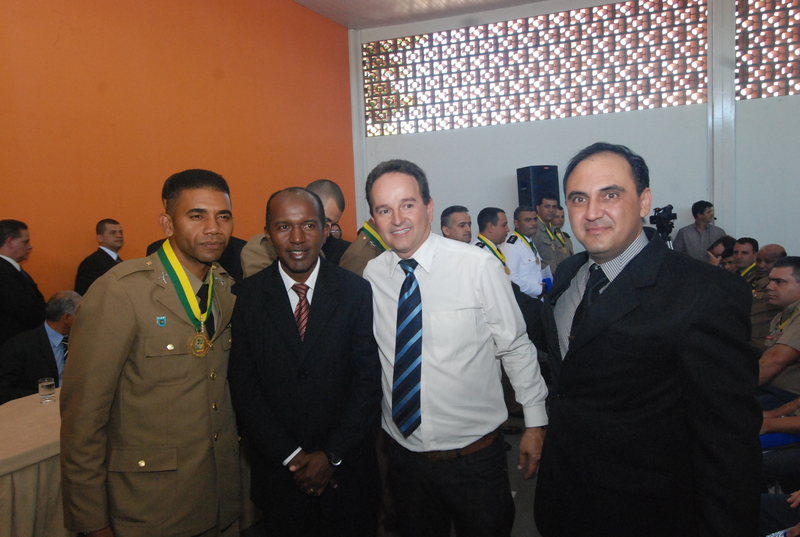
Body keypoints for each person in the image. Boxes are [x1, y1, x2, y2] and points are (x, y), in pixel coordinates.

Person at [533, 142, 761, 537]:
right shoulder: (570, 273)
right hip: (564, 496)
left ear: (644, 202)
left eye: (610, 195)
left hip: (646, 512)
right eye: (578, 198)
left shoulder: (704, 291)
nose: (592, 212)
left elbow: (727, 443)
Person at [362, 159, 548, 537]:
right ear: (374, 219)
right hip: (404, 460)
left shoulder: (476, 266)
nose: (397, 219)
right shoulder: (373, 275)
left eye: (407, 204)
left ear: (429, 207)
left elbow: (514, 345)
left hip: (474, 462)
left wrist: (535, 421)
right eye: (384, 209)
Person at [60, 169, 241, 537]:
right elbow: (83, 418)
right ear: (167, 224)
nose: (213, 228)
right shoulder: (121, 292)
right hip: (148, 506)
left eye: (223, 216)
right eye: (197, 215)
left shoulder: (226, 289)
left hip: (219, 498)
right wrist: (92, 521)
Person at [229, 188, 381, 536]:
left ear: (326, 230)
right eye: (284, 226)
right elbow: (245, 387)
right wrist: (291, 456)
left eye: (309, 225)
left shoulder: (356, 292)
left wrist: (332, 455)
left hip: (349, 478)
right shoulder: (247, 297)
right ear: (268, 234)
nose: (297, 238)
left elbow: (368, 382)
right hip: (280, 480)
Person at [240, 179, 345, 278]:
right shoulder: (258, 249)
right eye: (324, 220)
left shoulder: (320, 249)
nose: (327, 232)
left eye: (333, 224)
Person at [0, 291, 80, 404]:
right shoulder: (20, 346)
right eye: (80, 315)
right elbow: (4, 390)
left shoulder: (80, 340)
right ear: (66, 318)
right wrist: (44, 395)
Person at [757, 257, 800, 410]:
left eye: (779, 282)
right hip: (772, 389)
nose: (769, 287)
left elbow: (776, 360)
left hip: (790, 397)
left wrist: (735, 388)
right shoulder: (783, 314)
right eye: (770, 281)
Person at [0, 219, 46, 348]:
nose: (30, 247)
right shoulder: (5, 273)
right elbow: (26, 311)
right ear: (10, 242)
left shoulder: (11, 269)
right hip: (12, 346)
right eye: (25, 242)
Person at [74, 219, 125, 296]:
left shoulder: (119, 261)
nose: (119, 236)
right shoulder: (91, 263)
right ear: (100, 238)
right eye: (113, 232)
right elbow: (86, 295)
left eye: (120, 232)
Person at [752, 244, 788, 349]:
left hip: (763, 342)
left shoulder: (784, 285)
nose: (761, 265)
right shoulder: (753, 278)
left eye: (768, 261)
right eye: (758, 260)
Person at [504, 206, 544, 299]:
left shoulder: (529, 241)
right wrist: (539, 289)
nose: (533, 223)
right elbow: (512, 280)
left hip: (536, 299)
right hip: (524, 301)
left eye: (535, 219)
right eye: (528, 220)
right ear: (516, 223)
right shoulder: (512, 245)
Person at [531, 193, 560, 272]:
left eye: (554, 207)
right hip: (542, 276)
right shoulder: (534, 229)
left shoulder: (553, 229)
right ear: (538, 208)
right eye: (547, 206)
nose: (551, 210)